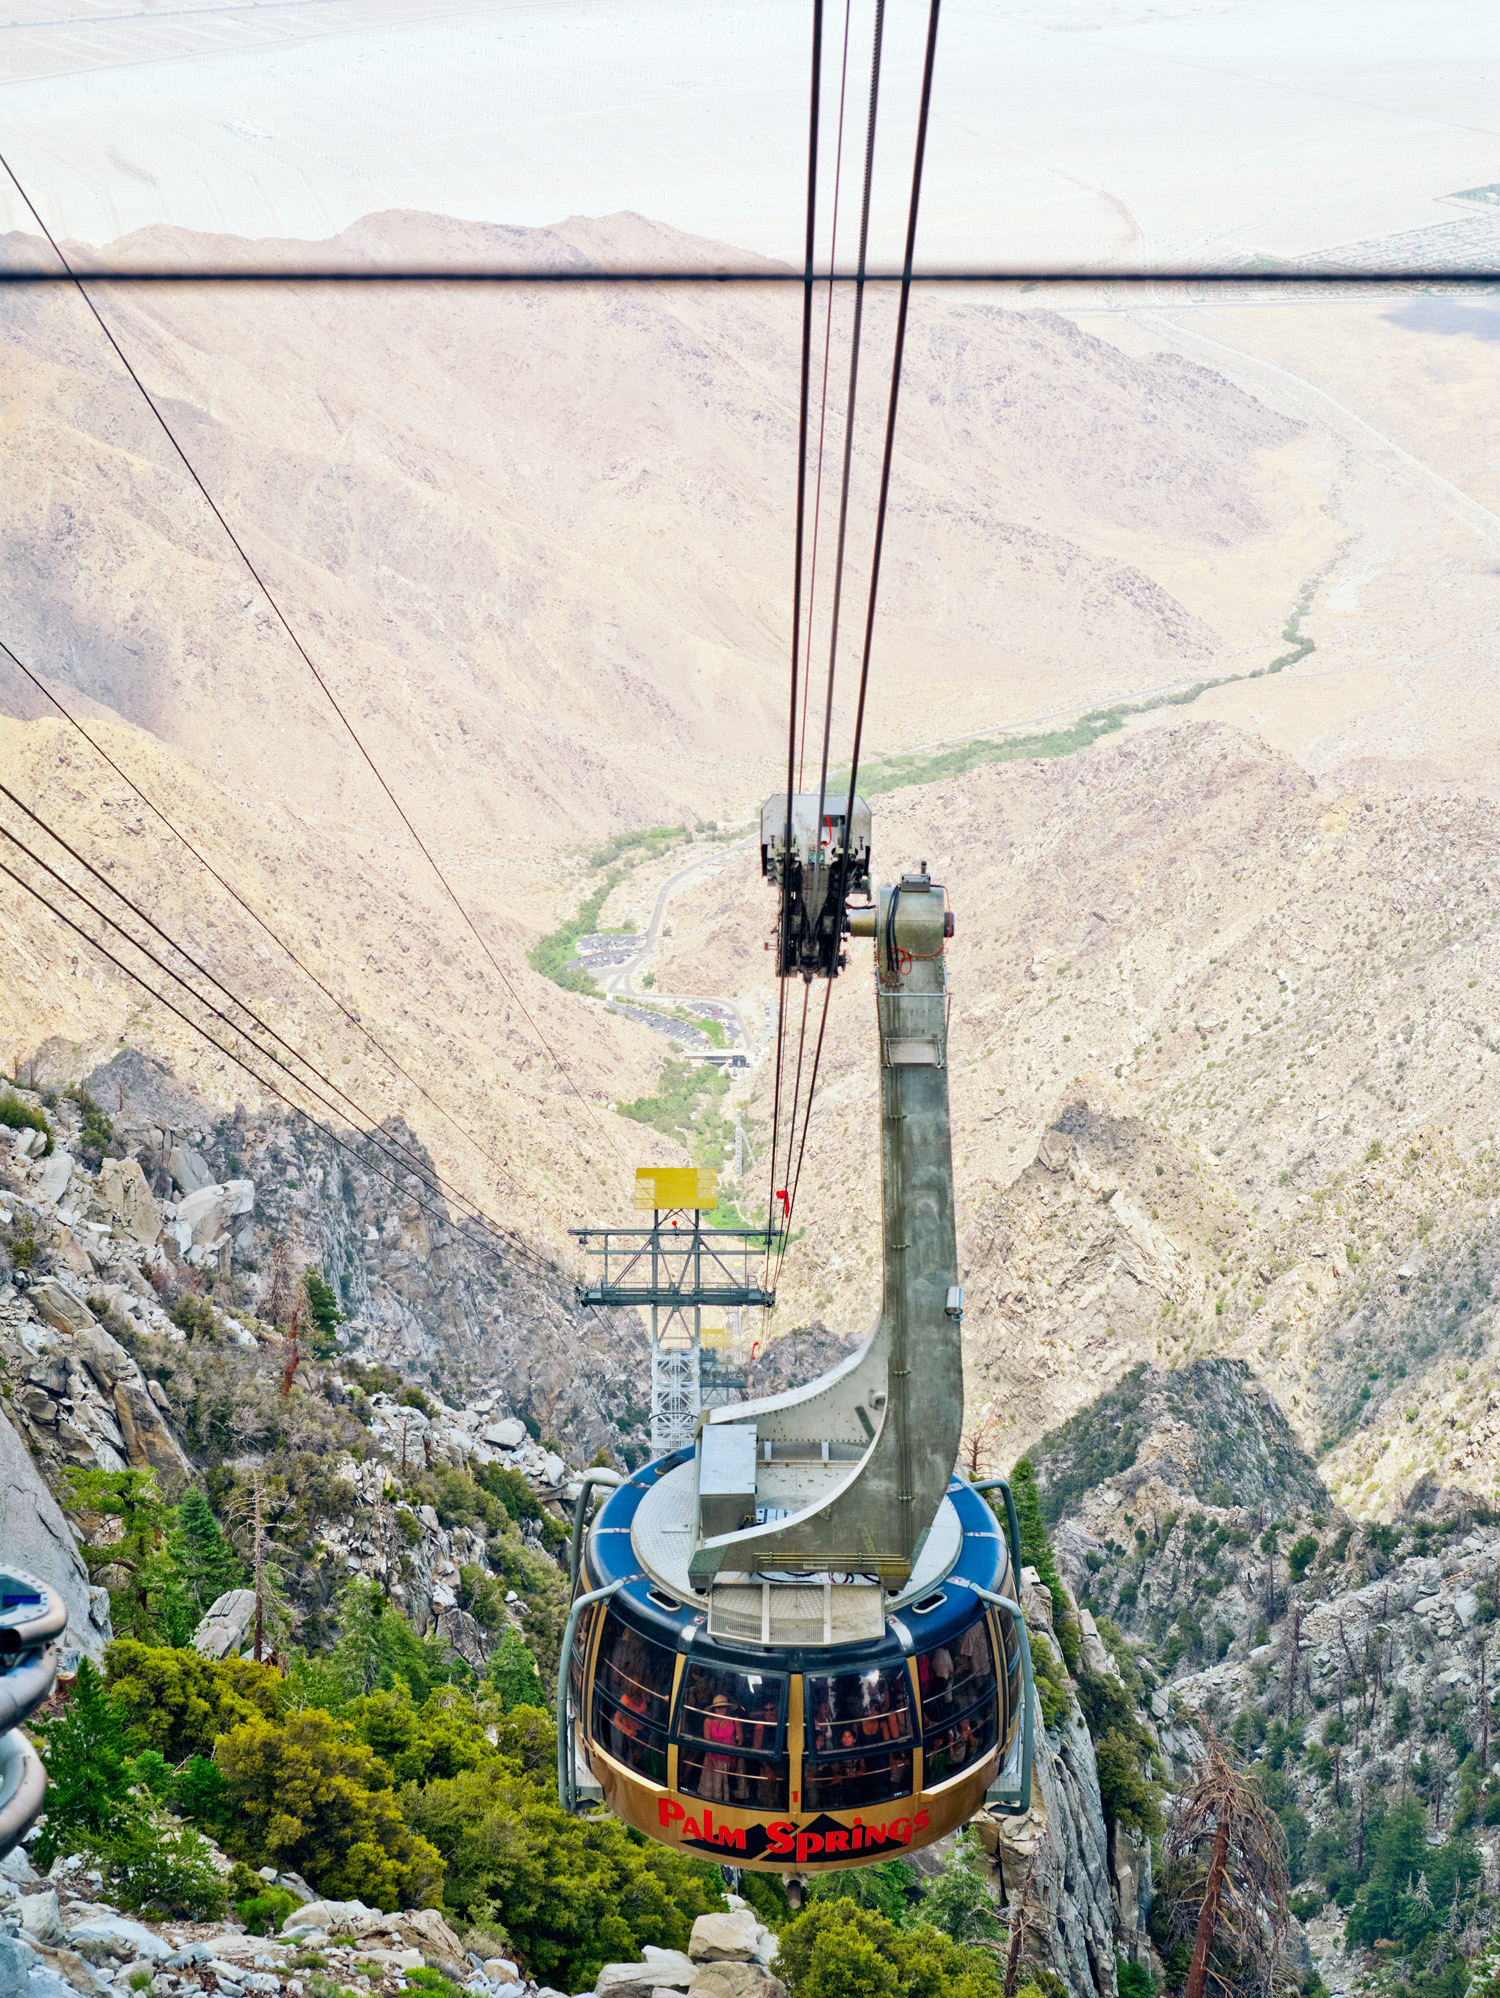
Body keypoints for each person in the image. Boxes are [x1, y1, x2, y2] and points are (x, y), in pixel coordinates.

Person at [700, 1690, 741, 1802]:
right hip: (713, 1758)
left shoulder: (734, 1720)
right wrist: (710, 1759)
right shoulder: (708, 1721)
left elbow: (740, 1741)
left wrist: (734, 1758)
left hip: (730, 1757)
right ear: (714, 1709)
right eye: (718, 1707)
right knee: (713, 1791)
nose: (721, 1709)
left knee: (730, 1787)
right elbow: (707, 1742)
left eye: (724, 1707)